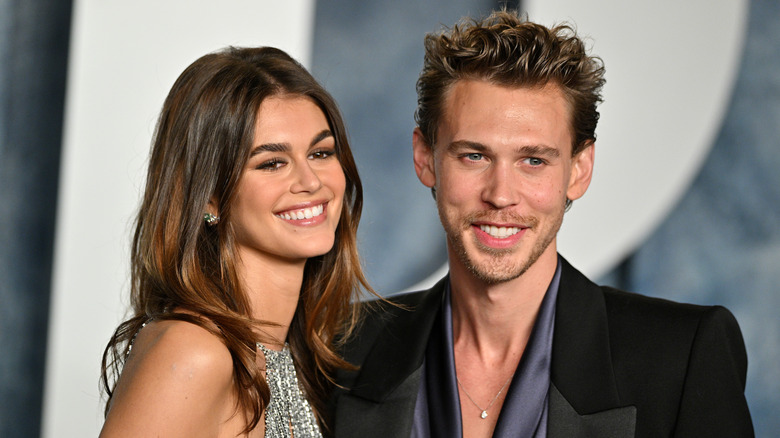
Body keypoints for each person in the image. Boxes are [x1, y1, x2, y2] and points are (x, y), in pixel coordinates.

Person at [329, 10, 753, 438]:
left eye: (533, 160)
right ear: (426, 159)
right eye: (474, 156)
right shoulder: (340, 350)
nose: (500, 194)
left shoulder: (682, 356)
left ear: (579, 170)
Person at [100, 46, 371, 437]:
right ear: (209, 195)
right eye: (271, 163)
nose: (311, 182)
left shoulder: (291, 356)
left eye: (321, 152)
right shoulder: (193, 352)